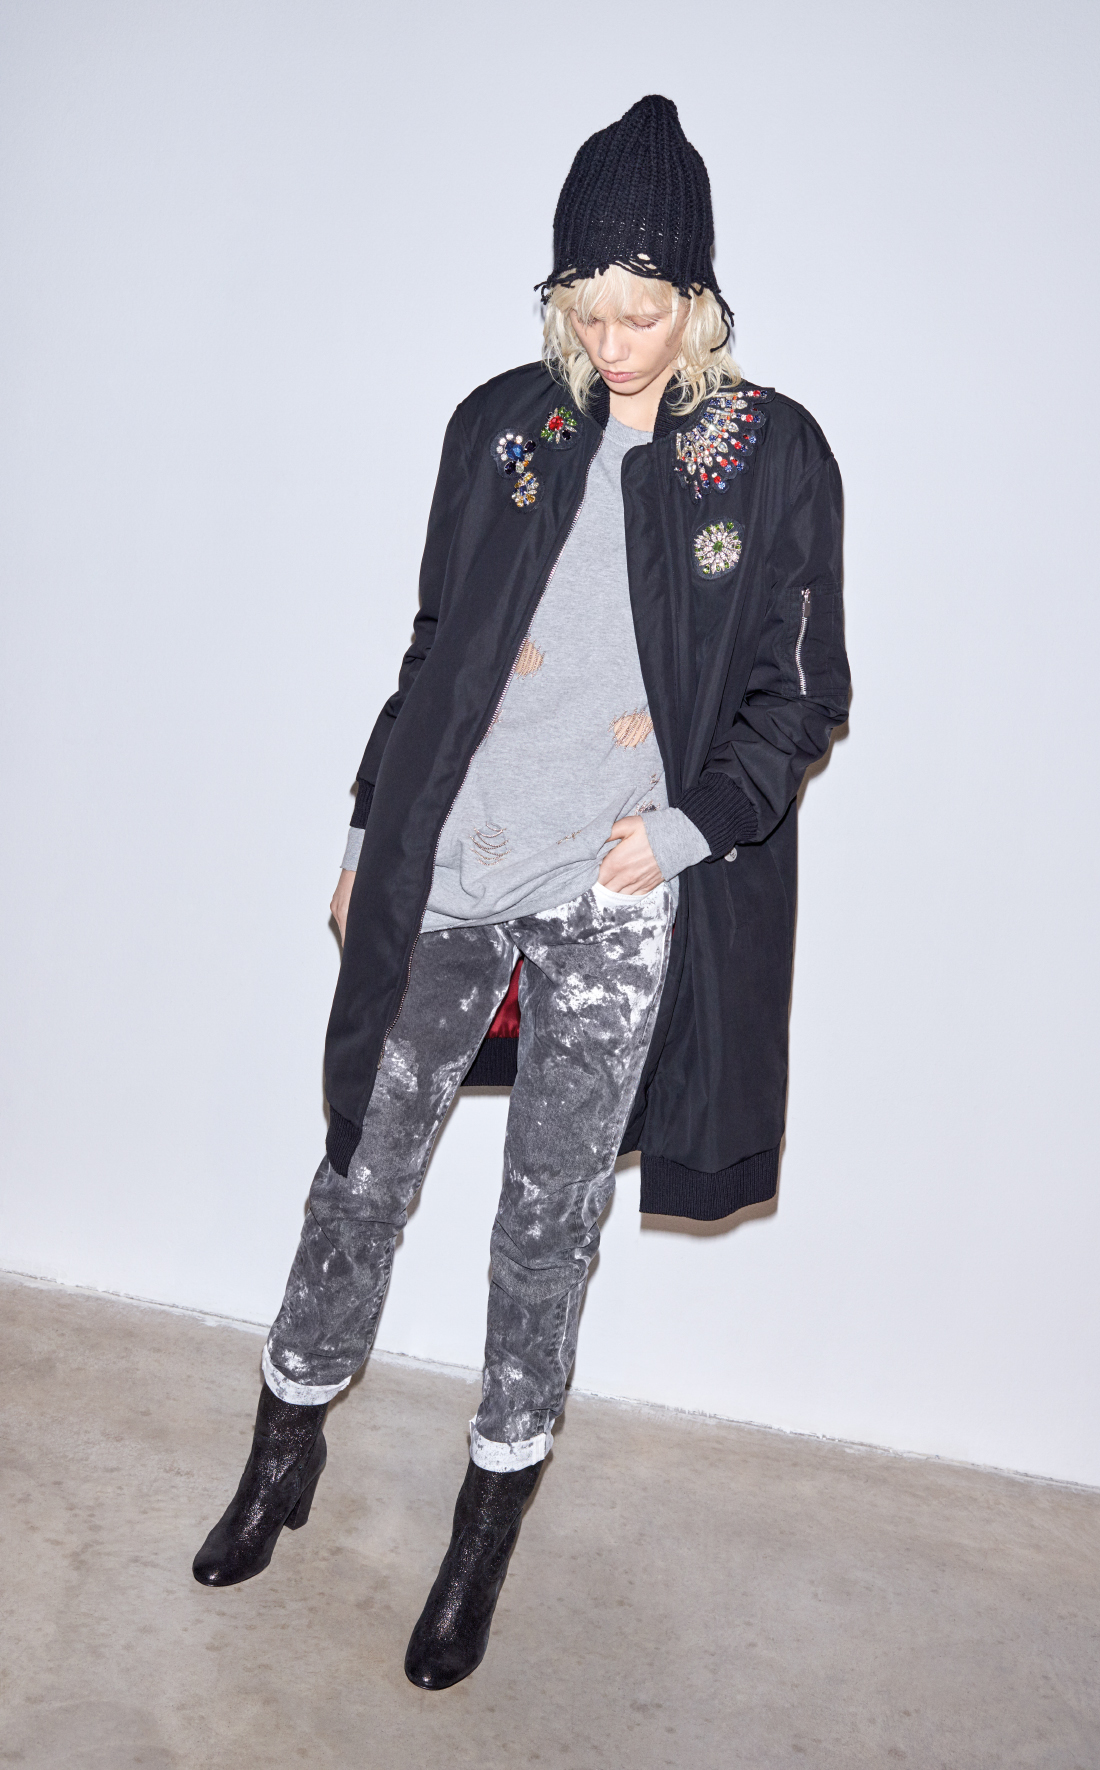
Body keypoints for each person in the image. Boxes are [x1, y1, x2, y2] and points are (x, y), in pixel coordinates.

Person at [191, 94, 850, 1689]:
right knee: (360, 1169)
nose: (612, 342)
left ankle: (480, 1533)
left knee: (547, 1220)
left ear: (698, 298)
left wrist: (684, 828)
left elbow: (799, 692)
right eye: (585, 308)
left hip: (613, 896)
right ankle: (285, 1444)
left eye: (643, 310)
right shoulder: (502, 424)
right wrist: (371, 829)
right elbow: (433, 645)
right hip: (458, 859)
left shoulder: (769, 455)